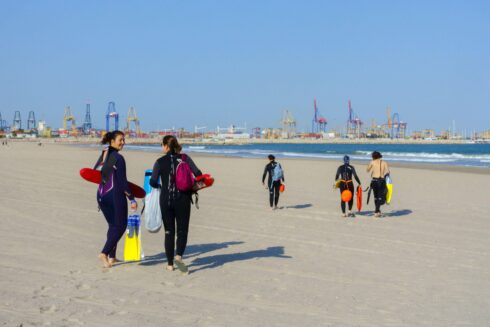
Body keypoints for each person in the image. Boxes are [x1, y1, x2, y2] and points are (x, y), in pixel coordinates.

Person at [150, 135, 202, 273]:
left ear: (166, 146)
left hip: (166, 200)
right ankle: (178, 256)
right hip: (183, 199)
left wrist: (161, 185)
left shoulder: (159, 161)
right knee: (182, 231)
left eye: (162, 145)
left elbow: (153, 182)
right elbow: (198, 174)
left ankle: (169, 264)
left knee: (169, 232)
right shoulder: (185, 158)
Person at [94, 131, 137, 268]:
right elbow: (123, 182)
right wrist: (132, 199)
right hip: (115, 195)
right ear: (112, 141)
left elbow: (95, 172)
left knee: (112, 225)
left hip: (101, 195)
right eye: (120, 140)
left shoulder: (105, 153)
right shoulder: (119, 158)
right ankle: (104, 253)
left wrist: (104, 158)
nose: (123, 142)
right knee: (120, 226)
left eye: (124, 139)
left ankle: (112, 257)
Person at [367, 151, 390, 217]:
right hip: (382, 181)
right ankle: (377, 211)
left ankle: (376, 211)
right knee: (380, 197)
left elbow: (367, 170)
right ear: (380, 156)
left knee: (376, 197)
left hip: (374, 181)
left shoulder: (372, 162)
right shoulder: (384, 162)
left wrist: (372, 167)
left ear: (373, 156)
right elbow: (388, 172)